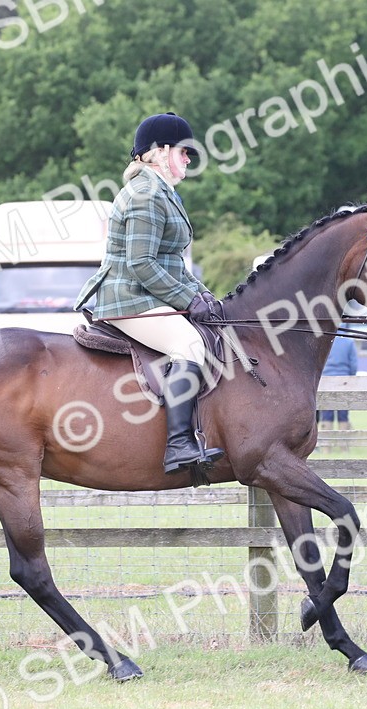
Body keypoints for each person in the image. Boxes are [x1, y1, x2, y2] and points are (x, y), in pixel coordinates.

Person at [74, 112, 225, 474]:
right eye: (184, 151)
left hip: (147, 295)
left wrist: (205, 296)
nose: (189, 158)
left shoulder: (162, 193)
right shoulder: (145, 195)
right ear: (159, 152)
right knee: (189, 346)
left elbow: (171, 263)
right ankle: (178, 446)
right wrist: (188, 301)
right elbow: (141, 264)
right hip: (129, 298)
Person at [318, 336, 358, 430]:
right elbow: (354, 364)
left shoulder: (325, 339)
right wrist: (351, 377)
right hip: (344, 380)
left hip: (326, 378)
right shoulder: (349, 341)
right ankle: (343, 442)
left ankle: (327, 443)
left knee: (326, 411)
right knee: (343, 411)